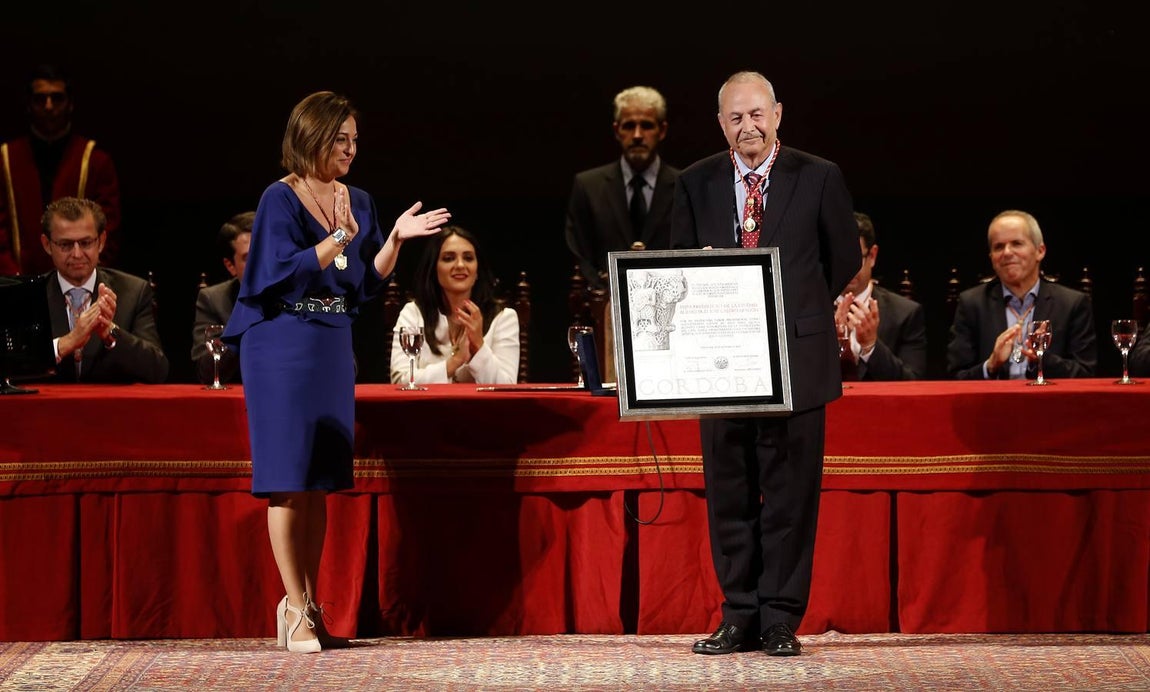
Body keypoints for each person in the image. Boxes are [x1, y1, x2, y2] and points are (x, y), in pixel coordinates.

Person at [221, 91, 449, 653]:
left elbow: (364, 281)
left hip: (329, 340)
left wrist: (393, 240)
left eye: (354, 140)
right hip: (279, 341)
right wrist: (341, 237)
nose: (350, 150)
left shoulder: (359, 200)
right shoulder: (280, 198)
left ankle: (309, 604)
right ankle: (294, 606)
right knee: (288, 479)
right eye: (339, 139)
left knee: (319, 480)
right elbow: (282, 273)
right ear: (311, 138)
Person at [669, 71, 859, 657]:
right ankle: (738, 615)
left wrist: (796, 308)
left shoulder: (819, 175)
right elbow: (677, 263)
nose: (747, 126)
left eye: (756, 114)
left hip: (796, 360)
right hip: (719, 363)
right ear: (720, 124)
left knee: (790, 497)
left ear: (777, 114)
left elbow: (843, 258)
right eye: (735, 118)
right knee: (729, 493)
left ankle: (780, 618)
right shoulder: (694, 181)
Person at [1, 64, 121, 276]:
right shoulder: (6, 159)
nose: (48, 106)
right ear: (29, 105)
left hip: (80, 281)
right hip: (17, 281)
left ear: (70, 104)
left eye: (57, 98)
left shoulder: (95, 160)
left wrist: (80, 275)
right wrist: (14, 279)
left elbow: (107, 229)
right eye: (40, 99)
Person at [947, 210, 1096, 380]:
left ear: (1040, 251)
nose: (1007, 252)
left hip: (1049, 397)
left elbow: (1085, 374)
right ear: (991, 258)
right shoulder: (972, 304)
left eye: (1017, 244)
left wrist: (1042, 360)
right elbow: (956, 376)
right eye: (998, 247)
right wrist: (990, 365)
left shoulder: (1072, 304)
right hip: (994, 397)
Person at [564, 85, 680, 292]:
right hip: (603, 302)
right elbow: (578, 255)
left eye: (647, 125)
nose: (637, 135)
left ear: (662, 130)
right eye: (629, 126)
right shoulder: (588, 186)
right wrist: (604, 292)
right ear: (617, 130)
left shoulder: (683, 185)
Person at [39, 197, 167, 383]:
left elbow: (157, 370)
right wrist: (65, 344)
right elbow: (11, 367)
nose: (77, 254)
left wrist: (110, 333)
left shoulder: (134, 292)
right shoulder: (31, 296)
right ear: (47, 245)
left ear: (101, 242)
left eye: (85, 243)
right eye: (65, 245)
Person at [389, 225, 519, 385]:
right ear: (434, 268)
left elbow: (506, 387)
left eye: (468, 258)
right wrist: (454, 363)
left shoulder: (504, 318)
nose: (460, 265)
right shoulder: (413, 313)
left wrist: (479, 346)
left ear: (477, 270)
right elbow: (400, 381)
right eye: (449, 258)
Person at [833, 211, 928, 380]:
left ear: (872, 256)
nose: (847, 267)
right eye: (840, 257)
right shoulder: (809, 310)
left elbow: (913, 383)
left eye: (855, 257)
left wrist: (871, 346)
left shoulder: (906, 314)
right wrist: (829, 344)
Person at [190, 211, 252, 385]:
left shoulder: (298, 293)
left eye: (264, 253)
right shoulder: (213, 300)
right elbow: (207, 374)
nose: (260, 262)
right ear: (230, 266)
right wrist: (249, 313)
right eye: (248, 258)